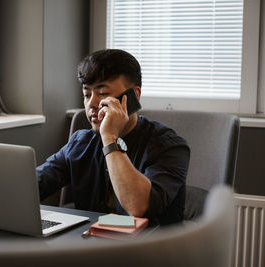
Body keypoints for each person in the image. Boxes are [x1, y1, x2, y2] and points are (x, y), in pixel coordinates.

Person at [37, 49, 190, 225]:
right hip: (90, 244)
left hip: (150, 248)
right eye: (87, 94)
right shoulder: (81, 142)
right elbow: (34, 185)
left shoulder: (169, 146)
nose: (92, 104)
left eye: (102, 94)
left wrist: (109, 137)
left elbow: (137, 207)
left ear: (134, 96)